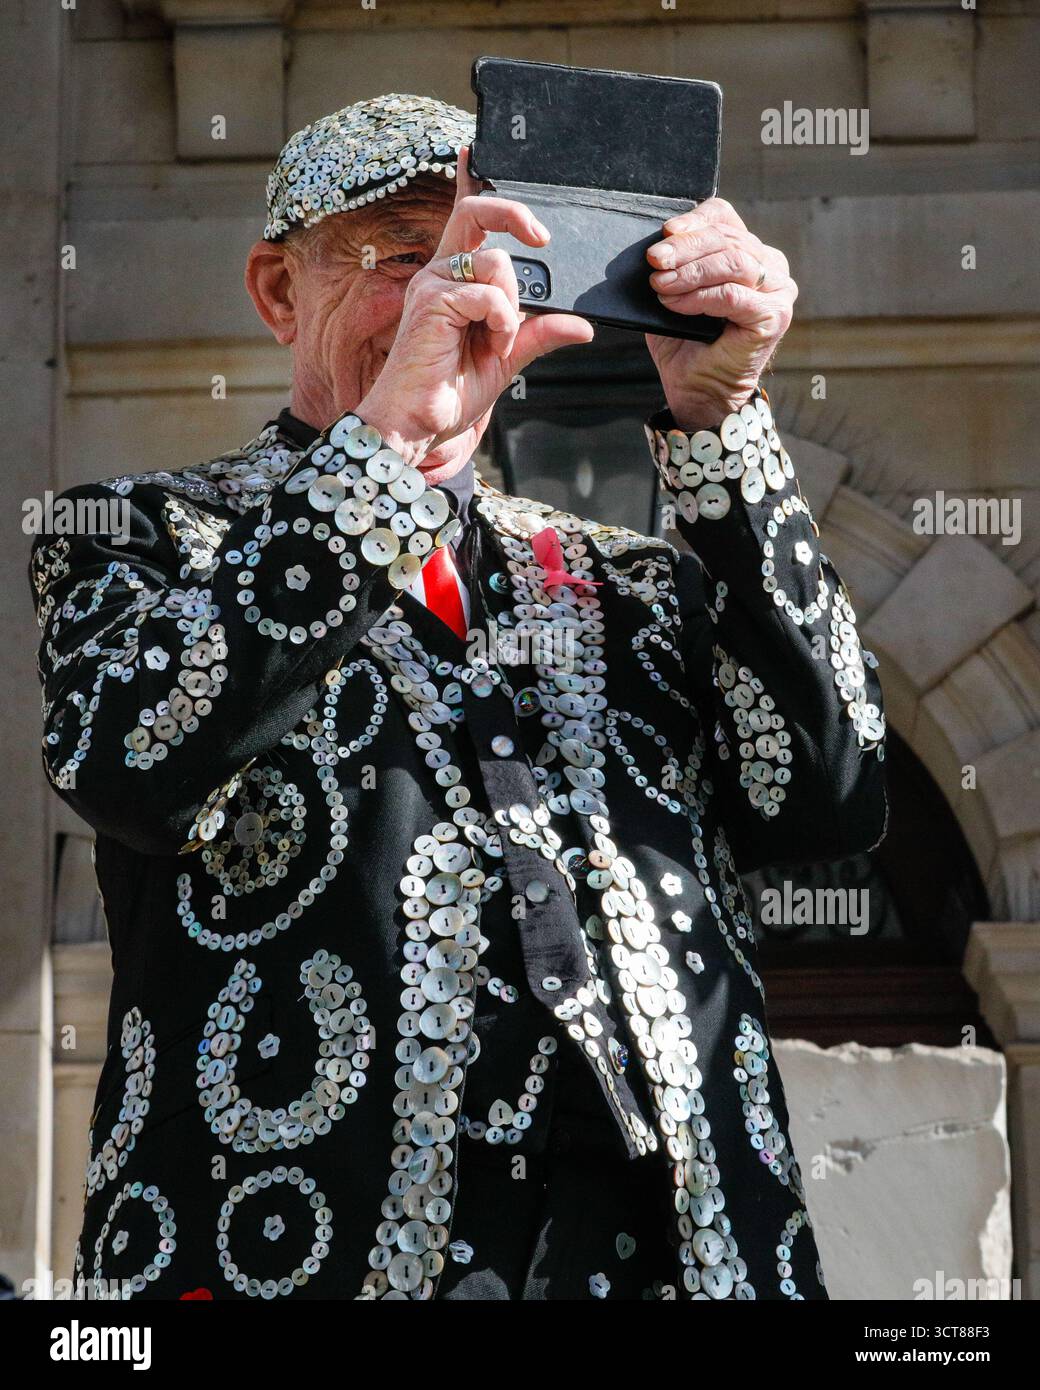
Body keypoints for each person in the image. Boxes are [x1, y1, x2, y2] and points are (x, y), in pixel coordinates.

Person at [30, 94, 886, 1301]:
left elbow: (826, 796)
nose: (454, 290)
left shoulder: (627, 577)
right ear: (279, 293)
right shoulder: (147, 538)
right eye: (402, 256)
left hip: (663, 1253)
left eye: (487, 255)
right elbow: (124, 759)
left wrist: (716, 424)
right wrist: (382, 449)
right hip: (293, 1257)